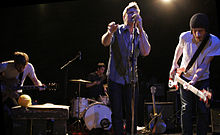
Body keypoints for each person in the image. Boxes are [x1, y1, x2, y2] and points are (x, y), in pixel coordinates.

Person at [101, 2, 151, 134]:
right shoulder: (116, 30)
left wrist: (141, 28)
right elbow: (105, 42)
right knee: (117, 113)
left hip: (132, 80)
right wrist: (109, 32)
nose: (132, 15)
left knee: (132, 114)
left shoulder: (140, 33)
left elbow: (146, 51)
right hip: (115, 78)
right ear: (124, 17)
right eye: (129, 13)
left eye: (135, 13)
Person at [169, 13, 220, 135]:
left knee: (202, 109)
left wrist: (194, 80)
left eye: (200, 31)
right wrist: (174, 65)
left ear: (206, 31)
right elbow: (178, 49)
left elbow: (204, 65)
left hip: (202, 78)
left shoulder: (214, 42)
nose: (197, 34)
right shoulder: (184, 37)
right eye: (195, 31)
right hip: (185, 77)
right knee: (186, 109)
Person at [0, 51, 44, 135]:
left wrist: (40, 86)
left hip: (17, 94)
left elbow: (35, 80)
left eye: (23, 67)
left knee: (23, 112)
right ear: (14, 63)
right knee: (11, 114)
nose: (20, 69)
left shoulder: (29, 67)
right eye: (18, 66)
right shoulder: (5, 65)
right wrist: (6, 81)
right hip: (5, 93)